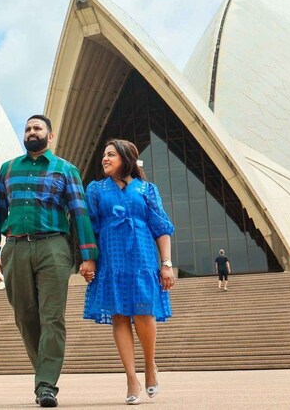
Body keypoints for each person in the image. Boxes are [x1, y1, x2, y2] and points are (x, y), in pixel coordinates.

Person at [0, 114, 98, 408]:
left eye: (38, 128)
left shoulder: (65, 170)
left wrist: (88, 257)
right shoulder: (8, 169)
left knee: (52, 318)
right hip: (16, 249)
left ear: (50, 135)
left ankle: (46, 385)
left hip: (53, 249)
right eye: (28, 128)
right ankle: (43, 375)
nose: (32, 132)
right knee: (25, 316)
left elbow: (80, 214)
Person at [83, 139, 175, 405]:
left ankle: (149, 366)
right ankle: (131, 377)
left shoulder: (146, 189)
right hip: (111, 258)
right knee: (120, 317)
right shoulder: (97, 190)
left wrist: (166, 264)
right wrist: (89, 259)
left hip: (142, 258)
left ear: (126, 158)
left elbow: (162, 228)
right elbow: (89, 227)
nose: (105, 158)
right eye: (104, 154)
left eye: (111, 154)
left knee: (144, 313)